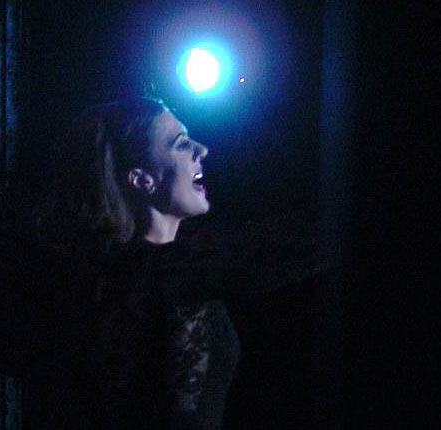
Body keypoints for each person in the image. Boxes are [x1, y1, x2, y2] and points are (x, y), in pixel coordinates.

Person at [32, 96, 318, 429]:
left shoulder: (137, 272)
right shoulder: (156, 274)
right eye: (181, 144)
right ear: (142, 179)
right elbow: (298, 244)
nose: (202, 150)